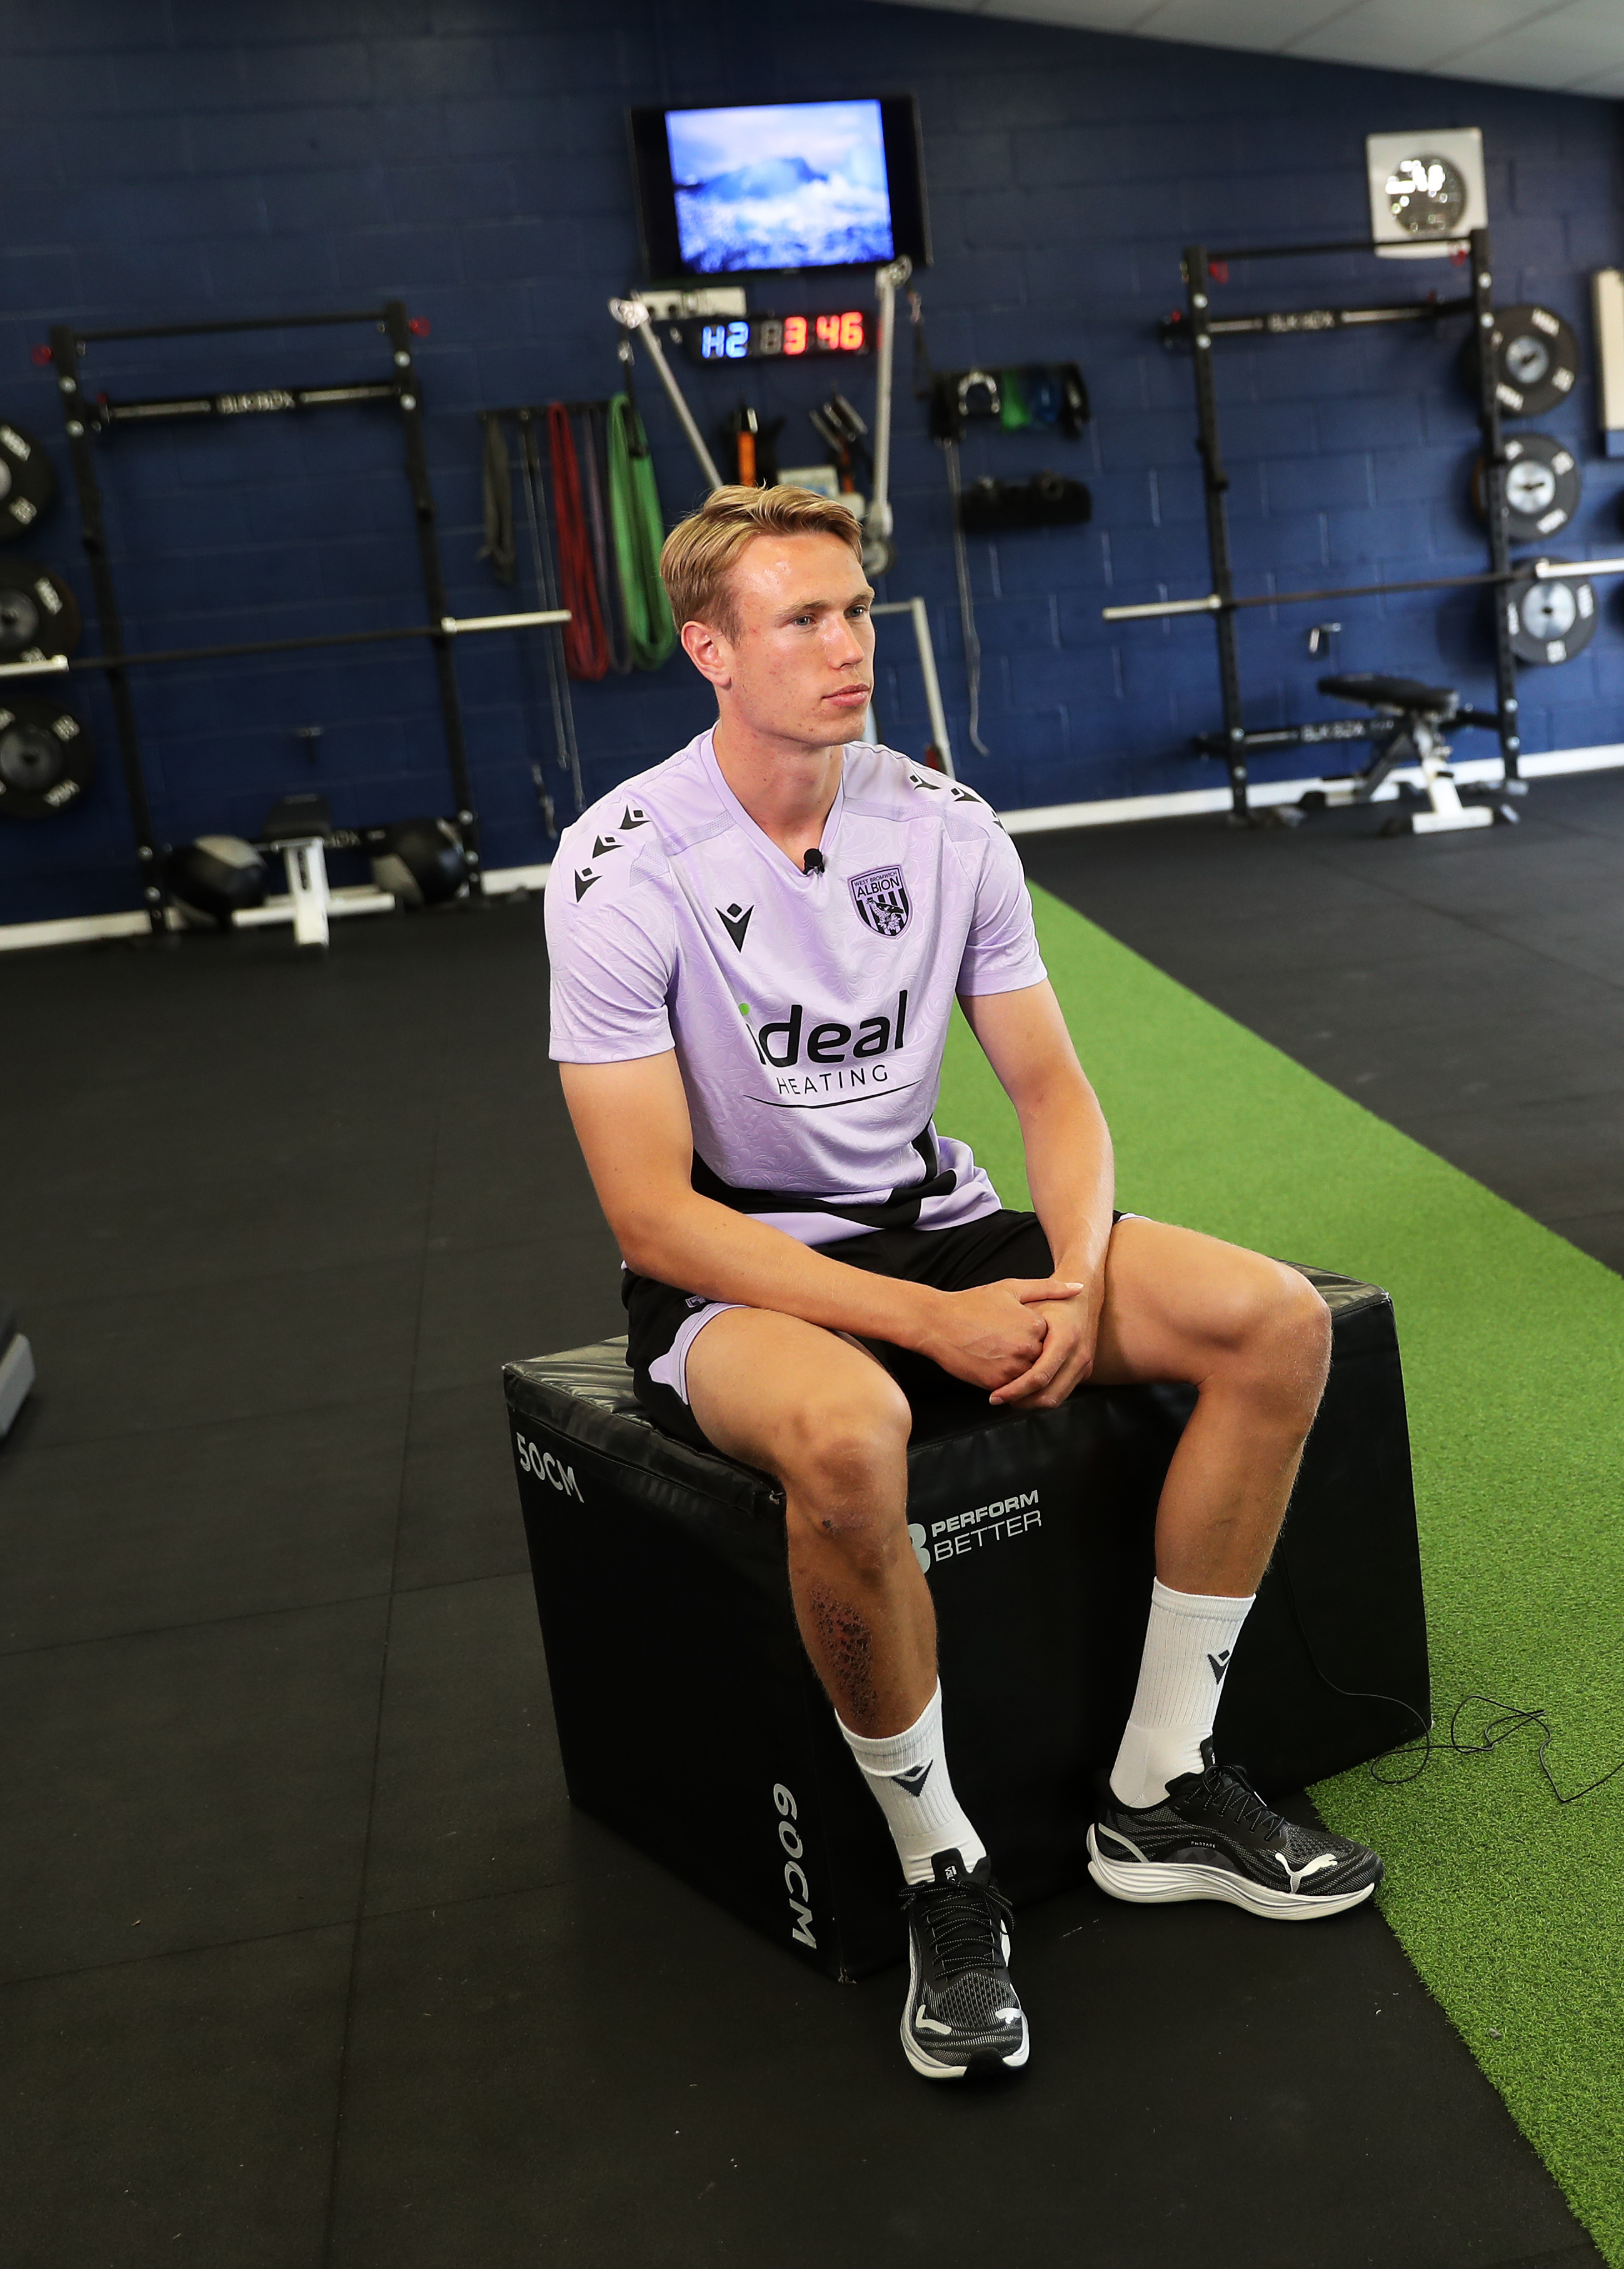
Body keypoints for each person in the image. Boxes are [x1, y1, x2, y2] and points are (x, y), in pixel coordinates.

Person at [546, 484, 1383, 2083]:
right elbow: (653, 1218)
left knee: (1271, 1324)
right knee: (849, 1443)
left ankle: (1158, 1789)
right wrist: (927, 1323)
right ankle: (947, 1870)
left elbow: (1054, 1096)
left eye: (857, 610)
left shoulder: (943, 825)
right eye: (803, 619)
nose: (849, 645)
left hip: (948, 1223)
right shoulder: (620, 867)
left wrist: (1071, 1276)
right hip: (745, 1268)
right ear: (709, 648)